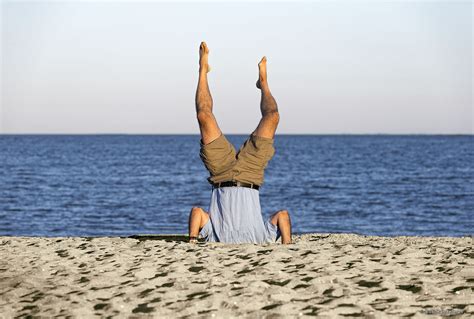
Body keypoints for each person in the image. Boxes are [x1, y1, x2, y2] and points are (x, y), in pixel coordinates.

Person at [188, 42, 292, 244]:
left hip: (221, 172)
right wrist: (287, 245)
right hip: (251, 172)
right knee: (273, 117)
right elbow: (283, 216)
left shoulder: (216, 237)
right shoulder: (261, 239)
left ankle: (202, 70)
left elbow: (197, 213)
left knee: (203, 116)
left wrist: (192, 240)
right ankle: (264, 82)